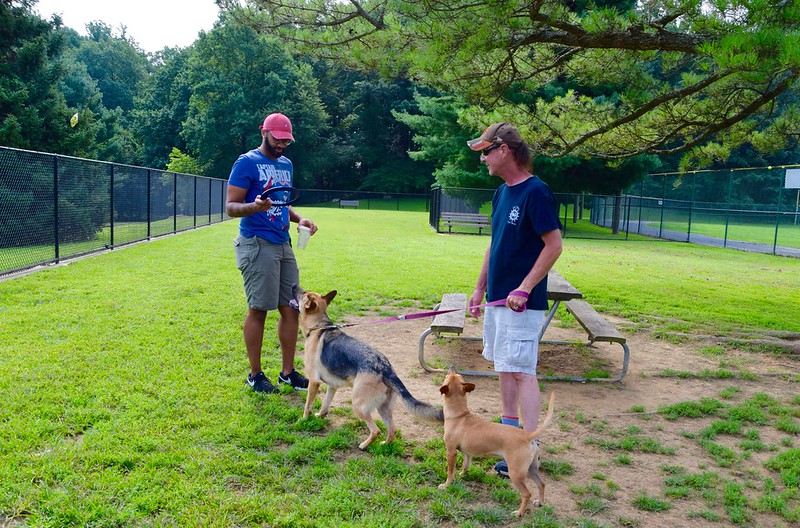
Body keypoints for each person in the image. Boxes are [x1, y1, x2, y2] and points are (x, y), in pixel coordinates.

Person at [466, 122, 563, 476]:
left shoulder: (536, 192)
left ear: (504, 150)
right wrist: (479, 287)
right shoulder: (501, 193)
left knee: (522, 371)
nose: (484, 160)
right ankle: (510, 441)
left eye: (486, 152)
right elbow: (495, 243)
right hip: (497, 301)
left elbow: (554, 246)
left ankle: (529, 447)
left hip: (522, 303)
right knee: (504, 367)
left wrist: (524, 287)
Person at [226, 112, 318, 394]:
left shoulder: (286, 164)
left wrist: (299, 219)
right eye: (277, 139)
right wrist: (254, 206)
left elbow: (281, 203)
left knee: (291, 309)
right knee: (258, 310)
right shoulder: (247, 162)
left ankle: (288, 373)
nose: (281, 145)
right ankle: (255, 375)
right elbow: (231, 206)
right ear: (263, 132)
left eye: (286, 141)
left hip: (283, 243)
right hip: (257, 243)